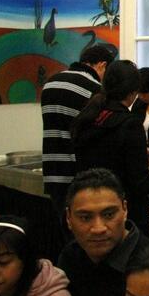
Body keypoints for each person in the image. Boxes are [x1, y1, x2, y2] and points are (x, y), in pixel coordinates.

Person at [71, 60, 149, 235]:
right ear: (132, 91)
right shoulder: (128, 124)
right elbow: (139, 182)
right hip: (124, 217)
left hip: (91, 209)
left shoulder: (89, 117)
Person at [41, 45, 115, 216]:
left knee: (63, 228)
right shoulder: (94, 88)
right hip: (78, 174)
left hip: (52, 170)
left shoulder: (50, 83)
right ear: (102, 65)